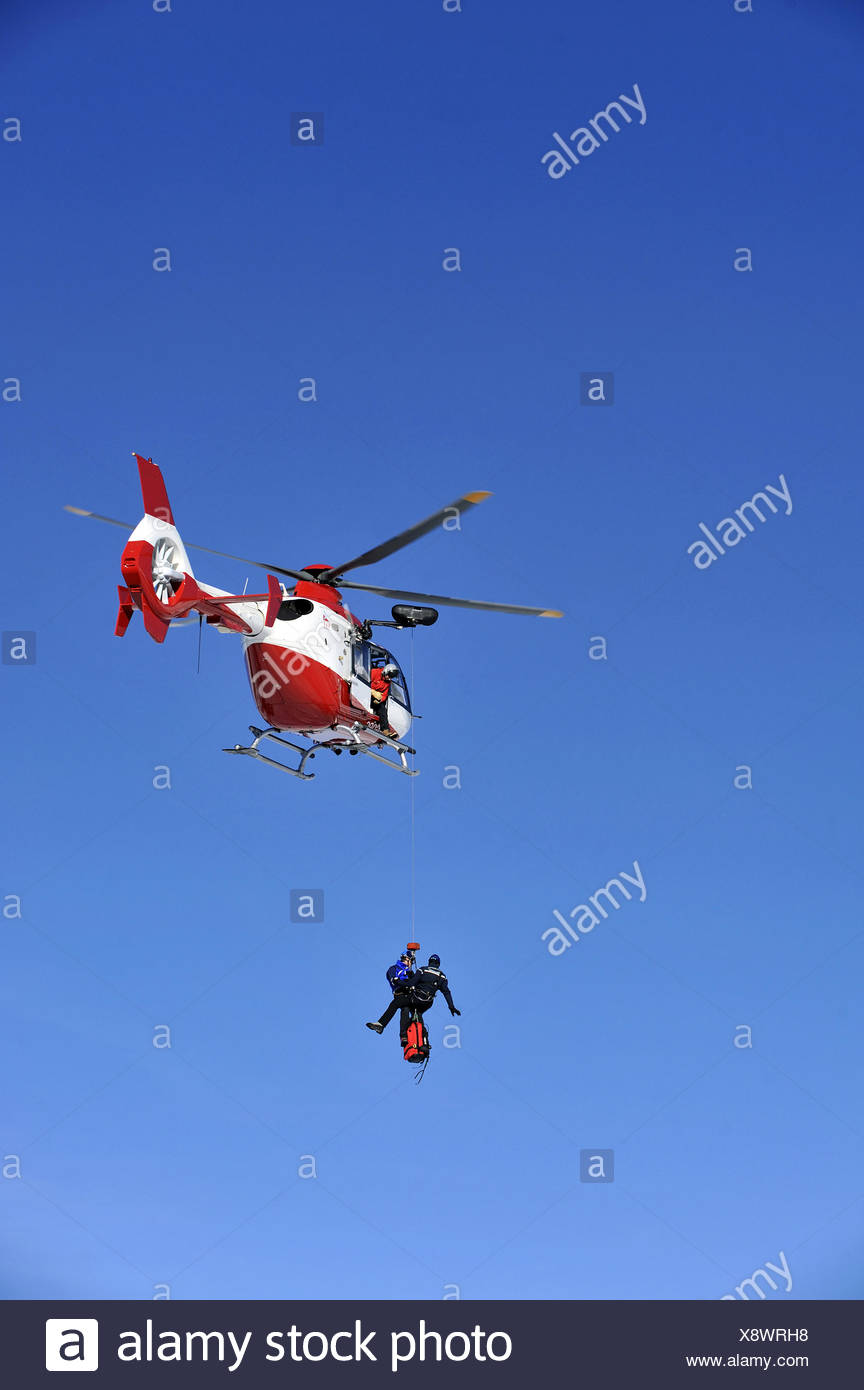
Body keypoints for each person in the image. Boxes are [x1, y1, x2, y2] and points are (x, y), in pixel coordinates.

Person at [366, 952, 460, 1043]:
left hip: (415, 998)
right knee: (416, 1014)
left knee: (396, 1004)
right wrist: (451, 1007)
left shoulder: (422, 970)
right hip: (427, 1003)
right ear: (438, 964)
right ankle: (423, 1039)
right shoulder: (442, 976)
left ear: (429, 962)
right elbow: (446, 992)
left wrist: (398, 981)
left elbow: (411, 983)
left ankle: (387, 1027)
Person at [366, 952, 414, 1037]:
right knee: (405, 1010)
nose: (411, 963)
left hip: (408, 995)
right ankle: (403, 1035)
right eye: (410, 961)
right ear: (406, 959)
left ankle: (382, 1025)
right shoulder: (394, 968)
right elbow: (393, 979)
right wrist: (405, 979)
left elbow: (414, 982)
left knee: (396, 1006)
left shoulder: (410, 972)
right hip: (400, 992)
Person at [370, 662, 399, 735]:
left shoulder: (387, 682)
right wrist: (372, 692)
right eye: (389, 676)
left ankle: (385, 730)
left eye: (391, 677)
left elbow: (385, 695)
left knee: (382, 709)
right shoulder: (375, 672)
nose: (389, 678)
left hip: (375, 699)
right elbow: (365, 680)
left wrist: (379, 700)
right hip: (366, 693)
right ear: (385, 671)